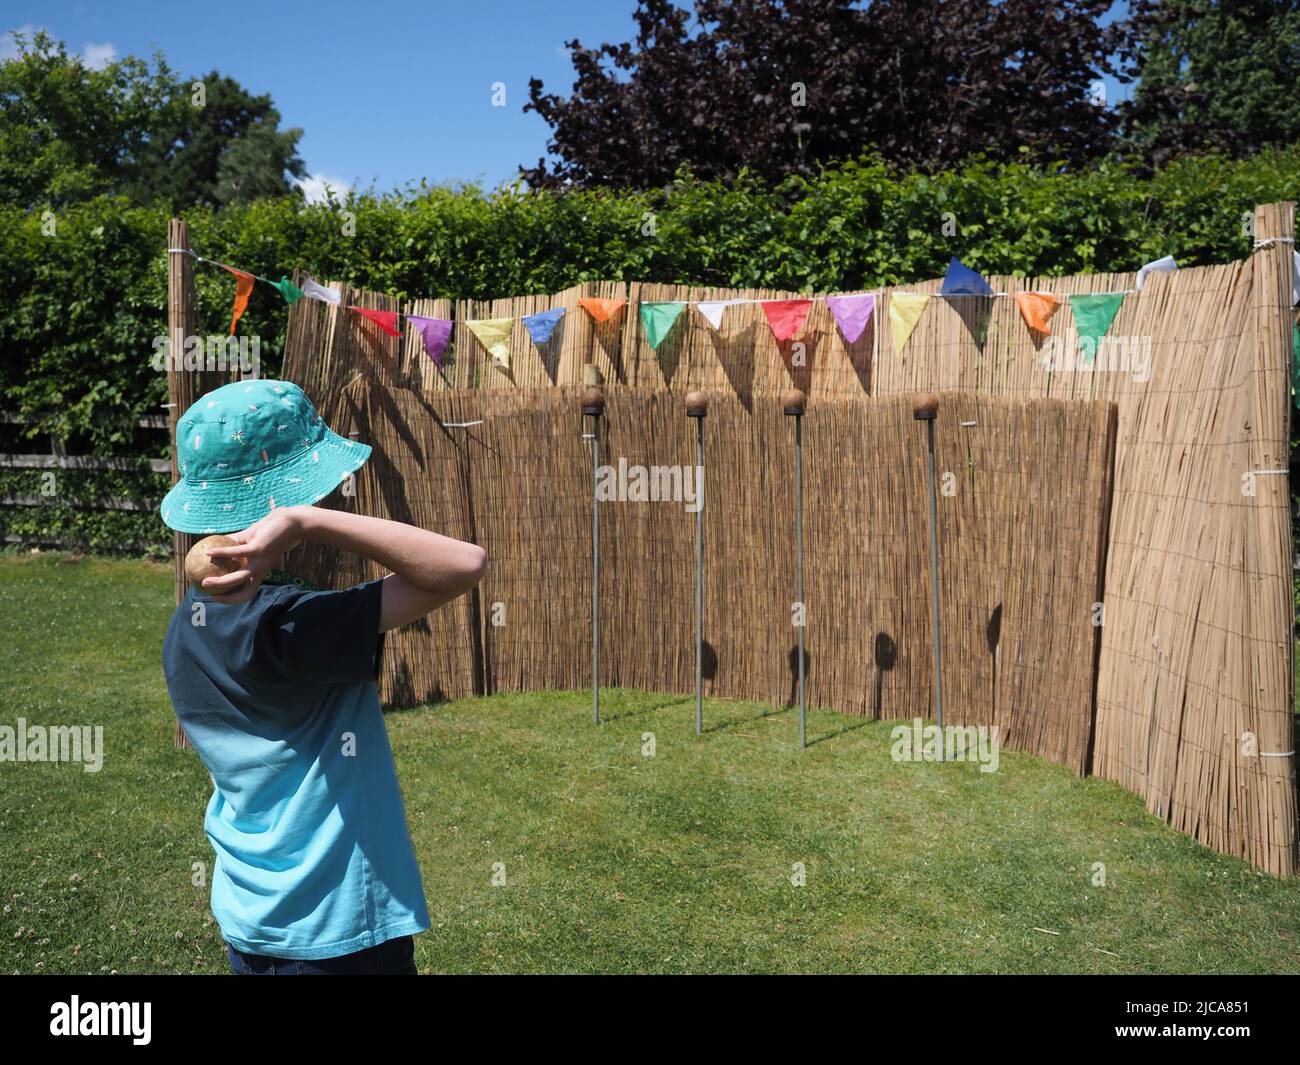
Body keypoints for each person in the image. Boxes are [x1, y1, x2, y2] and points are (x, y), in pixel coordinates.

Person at [160, 379, 486, 975]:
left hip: (252, 917)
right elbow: (463, 564)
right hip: (338, 927)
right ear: (280, 503)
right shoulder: (294, 626)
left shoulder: (187, 627)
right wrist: (307, 522)